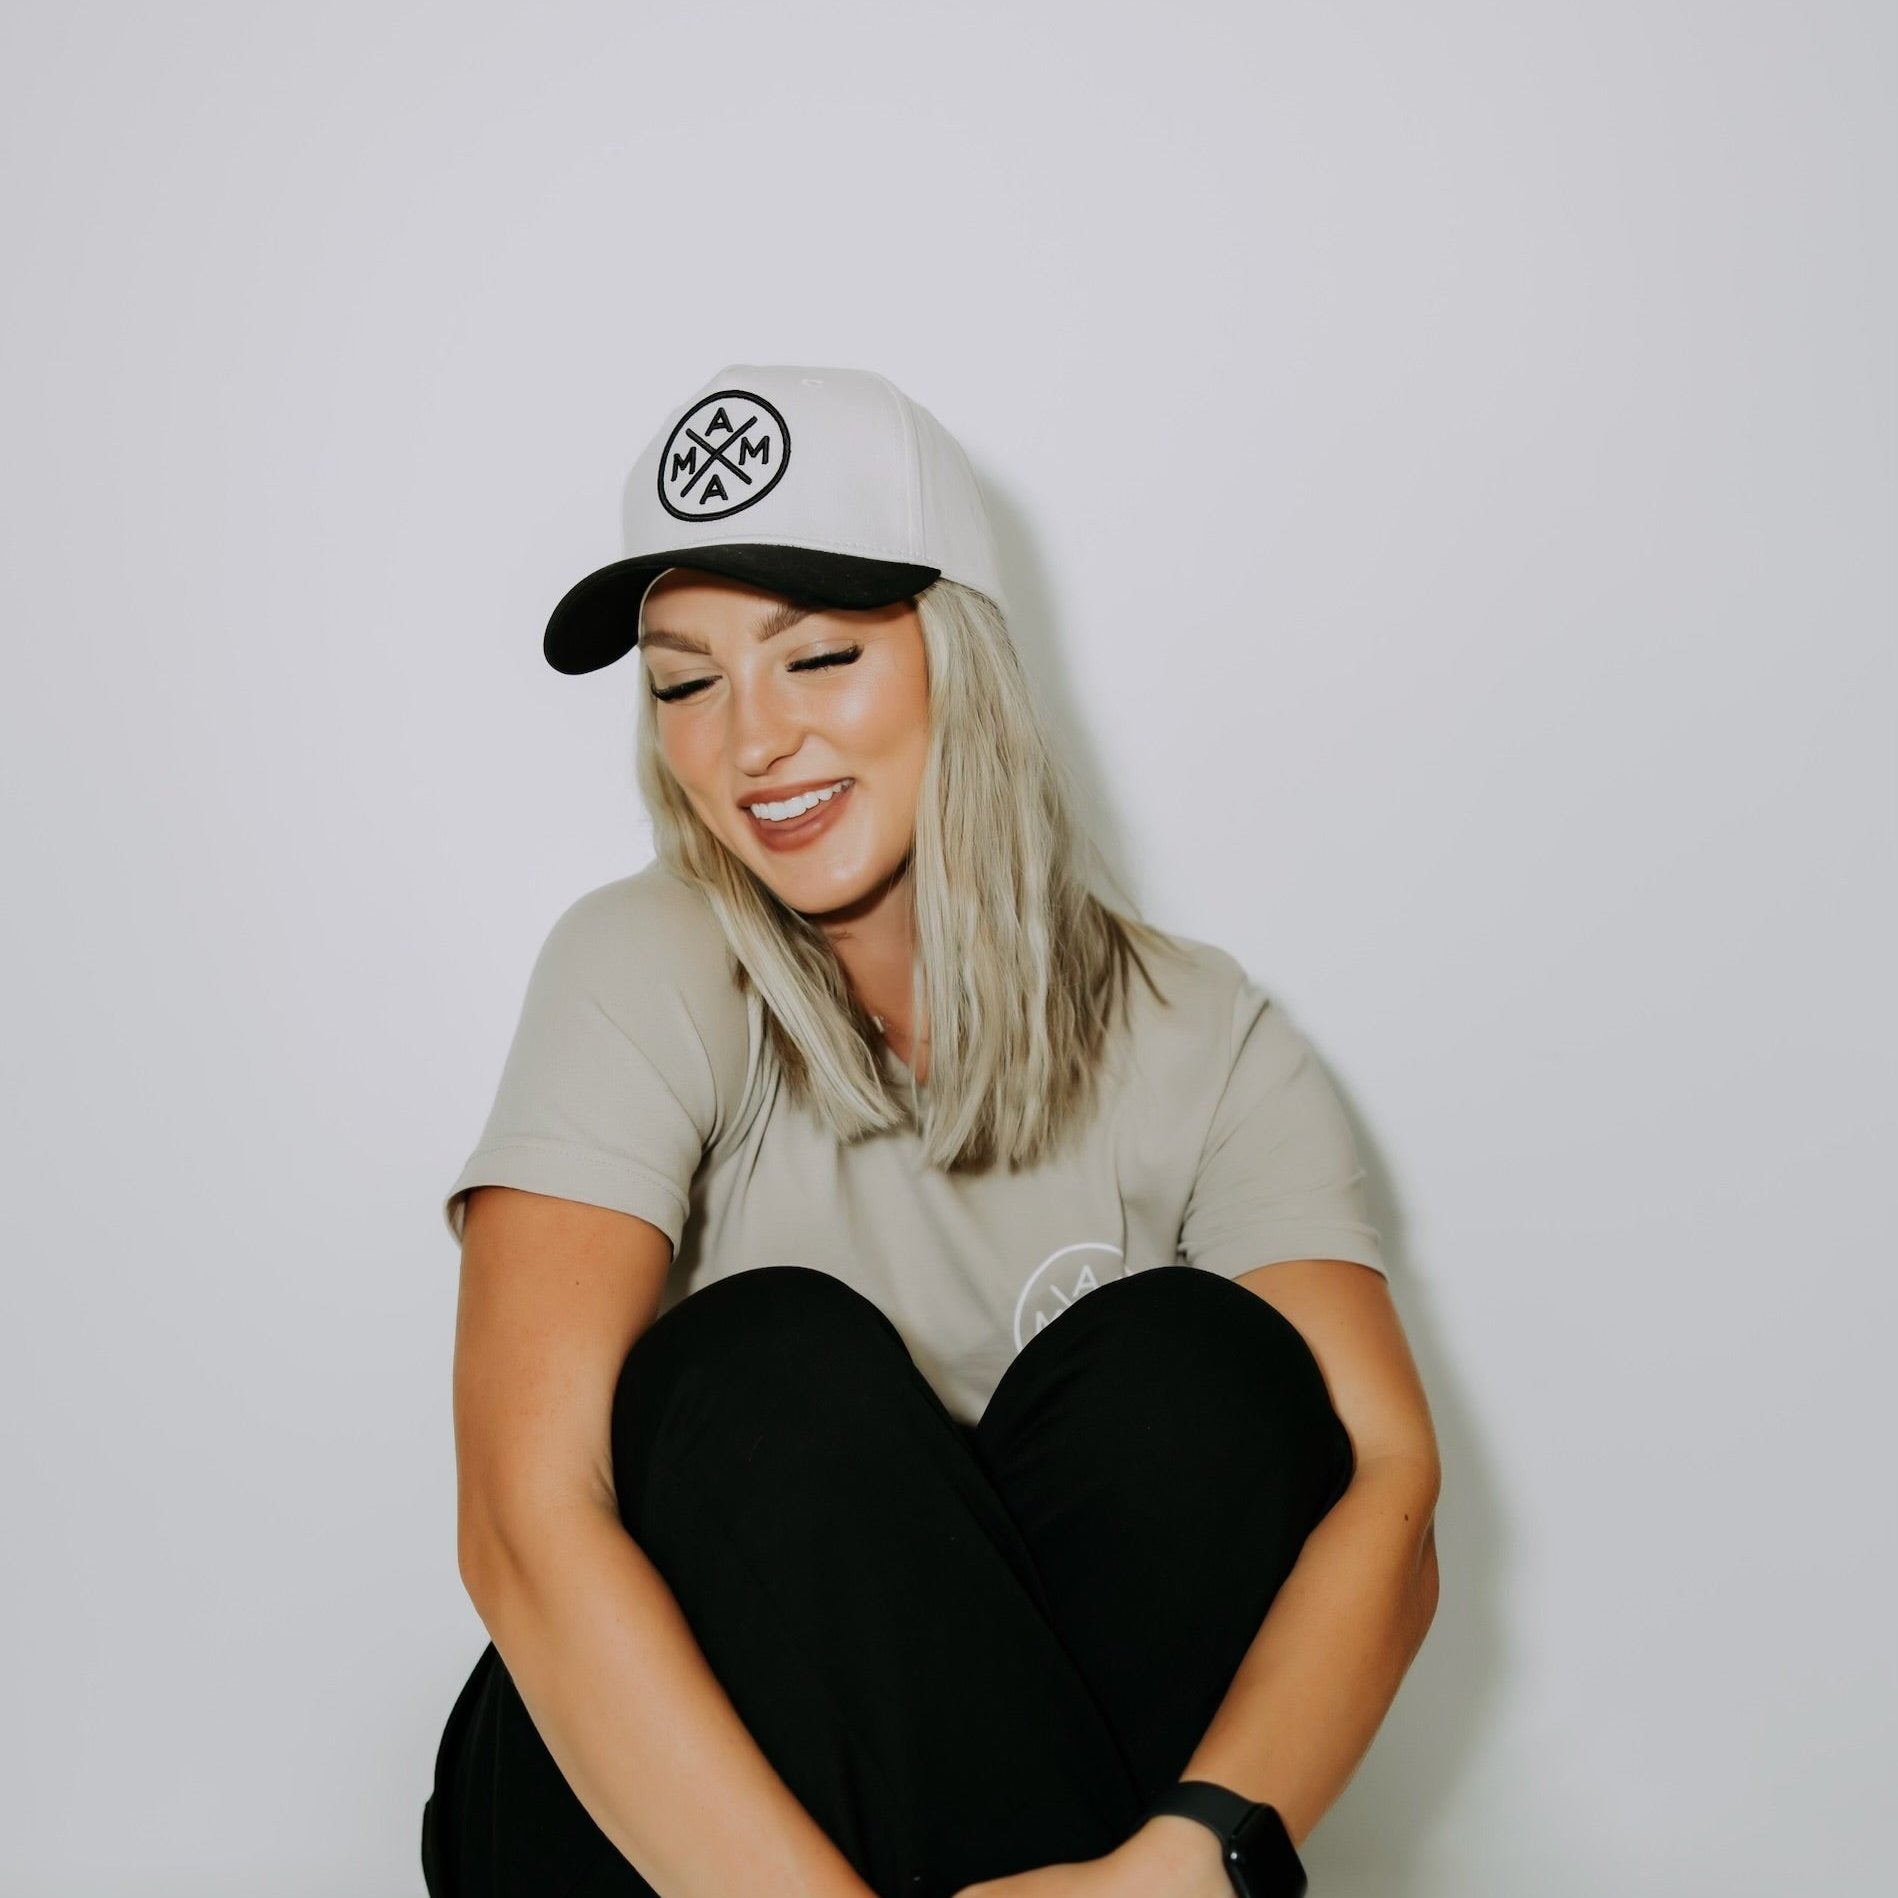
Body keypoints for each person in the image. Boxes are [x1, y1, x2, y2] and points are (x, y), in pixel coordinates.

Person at [420, 364, 1440, 1898]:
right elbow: (521, 1522)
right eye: (683, 681)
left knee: (1202, 1372)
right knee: (769, 1361)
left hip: (1042, 1849)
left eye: (815, 654)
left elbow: (1388, 1490)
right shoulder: (638, 961)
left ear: (960, 656)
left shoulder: (1201, 1034)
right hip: (613, 1830)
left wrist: (1185, 1866)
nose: (747, 741)